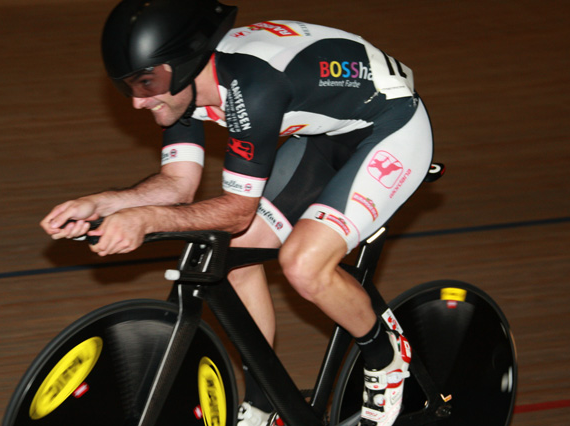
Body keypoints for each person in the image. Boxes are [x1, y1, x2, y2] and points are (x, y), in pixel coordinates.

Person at [40, 0, 433, 425]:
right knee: (229, 257)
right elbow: (177, 183)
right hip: (326, 135)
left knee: (303, 265)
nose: (138, 102)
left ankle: (386, 357)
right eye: (130, 86)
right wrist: (101, 204)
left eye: (146, 83)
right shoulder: (181, 86)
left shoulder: (255, 85)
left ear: (184, 65)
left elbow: (237, 212)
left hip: (391, 126)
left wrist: (146, 219)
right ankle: (264, 404)